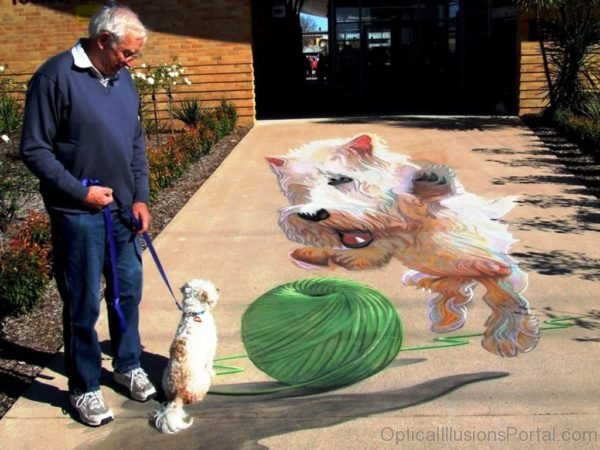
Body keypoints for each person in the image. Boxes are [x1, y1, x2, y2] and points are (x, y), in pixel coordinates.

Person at [20, 4, 155, 427]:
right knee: (82, 303)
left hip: (122, 211)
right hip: (77, 212)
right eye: (128, 53)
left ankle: (127, 363)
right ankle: (84, 388)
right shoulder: (54, 77)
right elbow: (34, 148)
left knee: (128, 292)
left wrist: (140, 197)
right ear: (103, 42)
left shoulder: (122, 77)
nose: (133, 62)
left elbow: (135, 140)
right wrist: (80, 191)